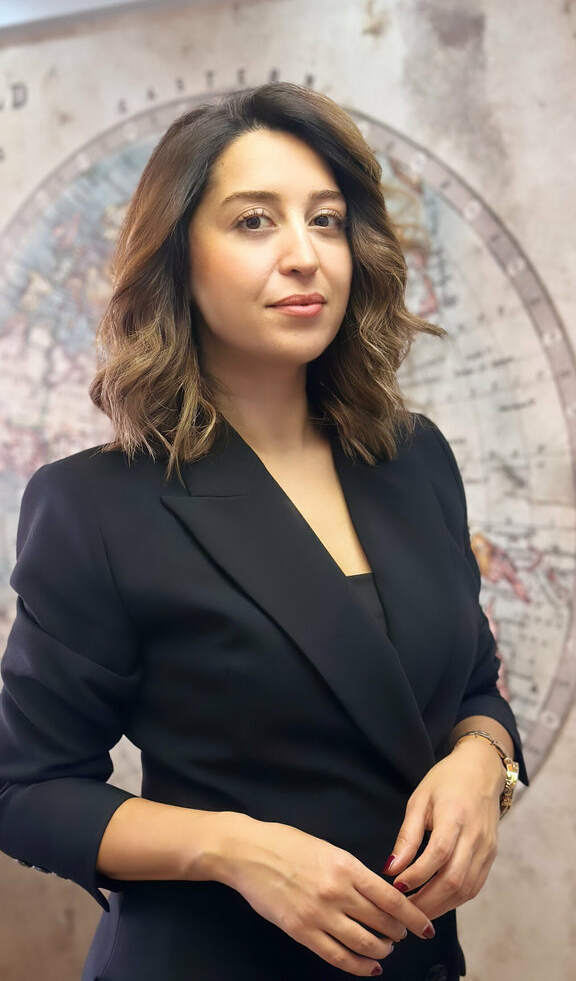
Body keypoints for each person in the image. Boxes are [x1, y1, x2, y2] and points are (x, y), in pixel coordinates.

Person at [0, 83, 527, 981]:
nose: (304, 255)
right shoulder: (94, 506)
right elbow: (27, 789)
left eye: (326, 221)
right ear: (178, 255)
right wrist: (236, 849)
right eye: (254, 222)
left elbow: (473, 681)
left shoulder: (413, 458)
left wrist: (484, 763)